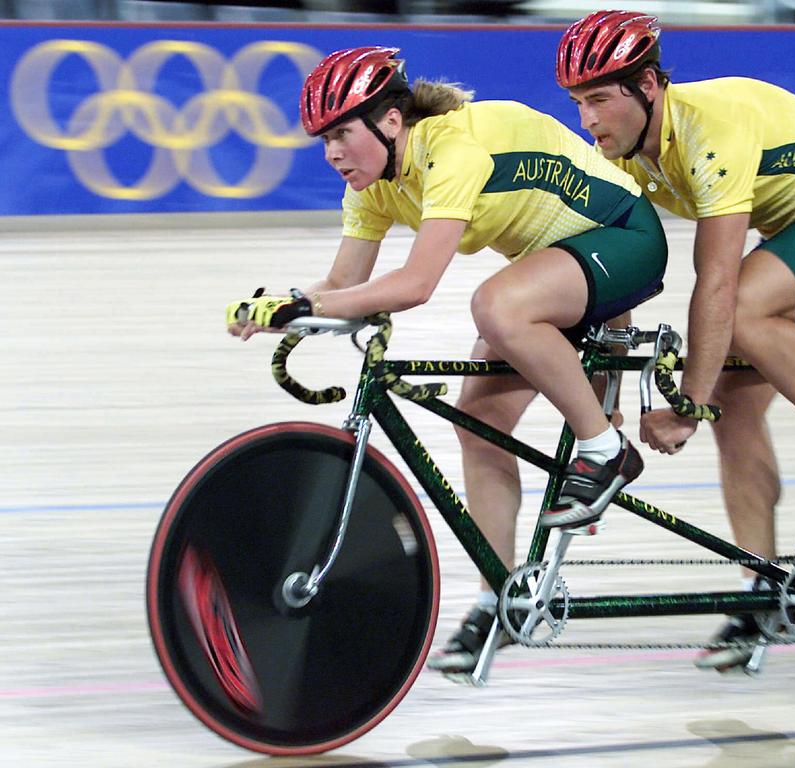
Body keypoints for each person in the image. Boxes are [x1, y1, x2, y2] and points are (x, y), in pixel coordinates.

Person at [226, 46, 668, 674]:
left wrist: (301, 309)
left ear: (390, 121)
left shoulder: (451, 148)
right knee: (479, 429)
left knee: (495, 305)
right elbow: (344, 284)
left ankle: (605, 451)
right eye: (324, 140)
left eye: (343, 134)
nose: (332, 153)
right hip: (554, 269)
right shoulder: (375, 185)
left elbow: (415, 285)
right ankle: (501, 599)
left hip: (623, 239)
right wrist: (283, 305)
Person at [556, 11, 795, 671]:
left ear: (648, 87)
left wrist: (689, 402)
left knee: (740, 312)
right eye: (578, 102)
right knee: (736, 410)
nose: (587, 120)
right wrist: (604, 407)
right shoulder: (629, 157)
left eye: (599, 98)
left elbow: (714, 283)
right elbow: (618, 282)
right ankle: (763, 589)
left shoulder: (707, 128)